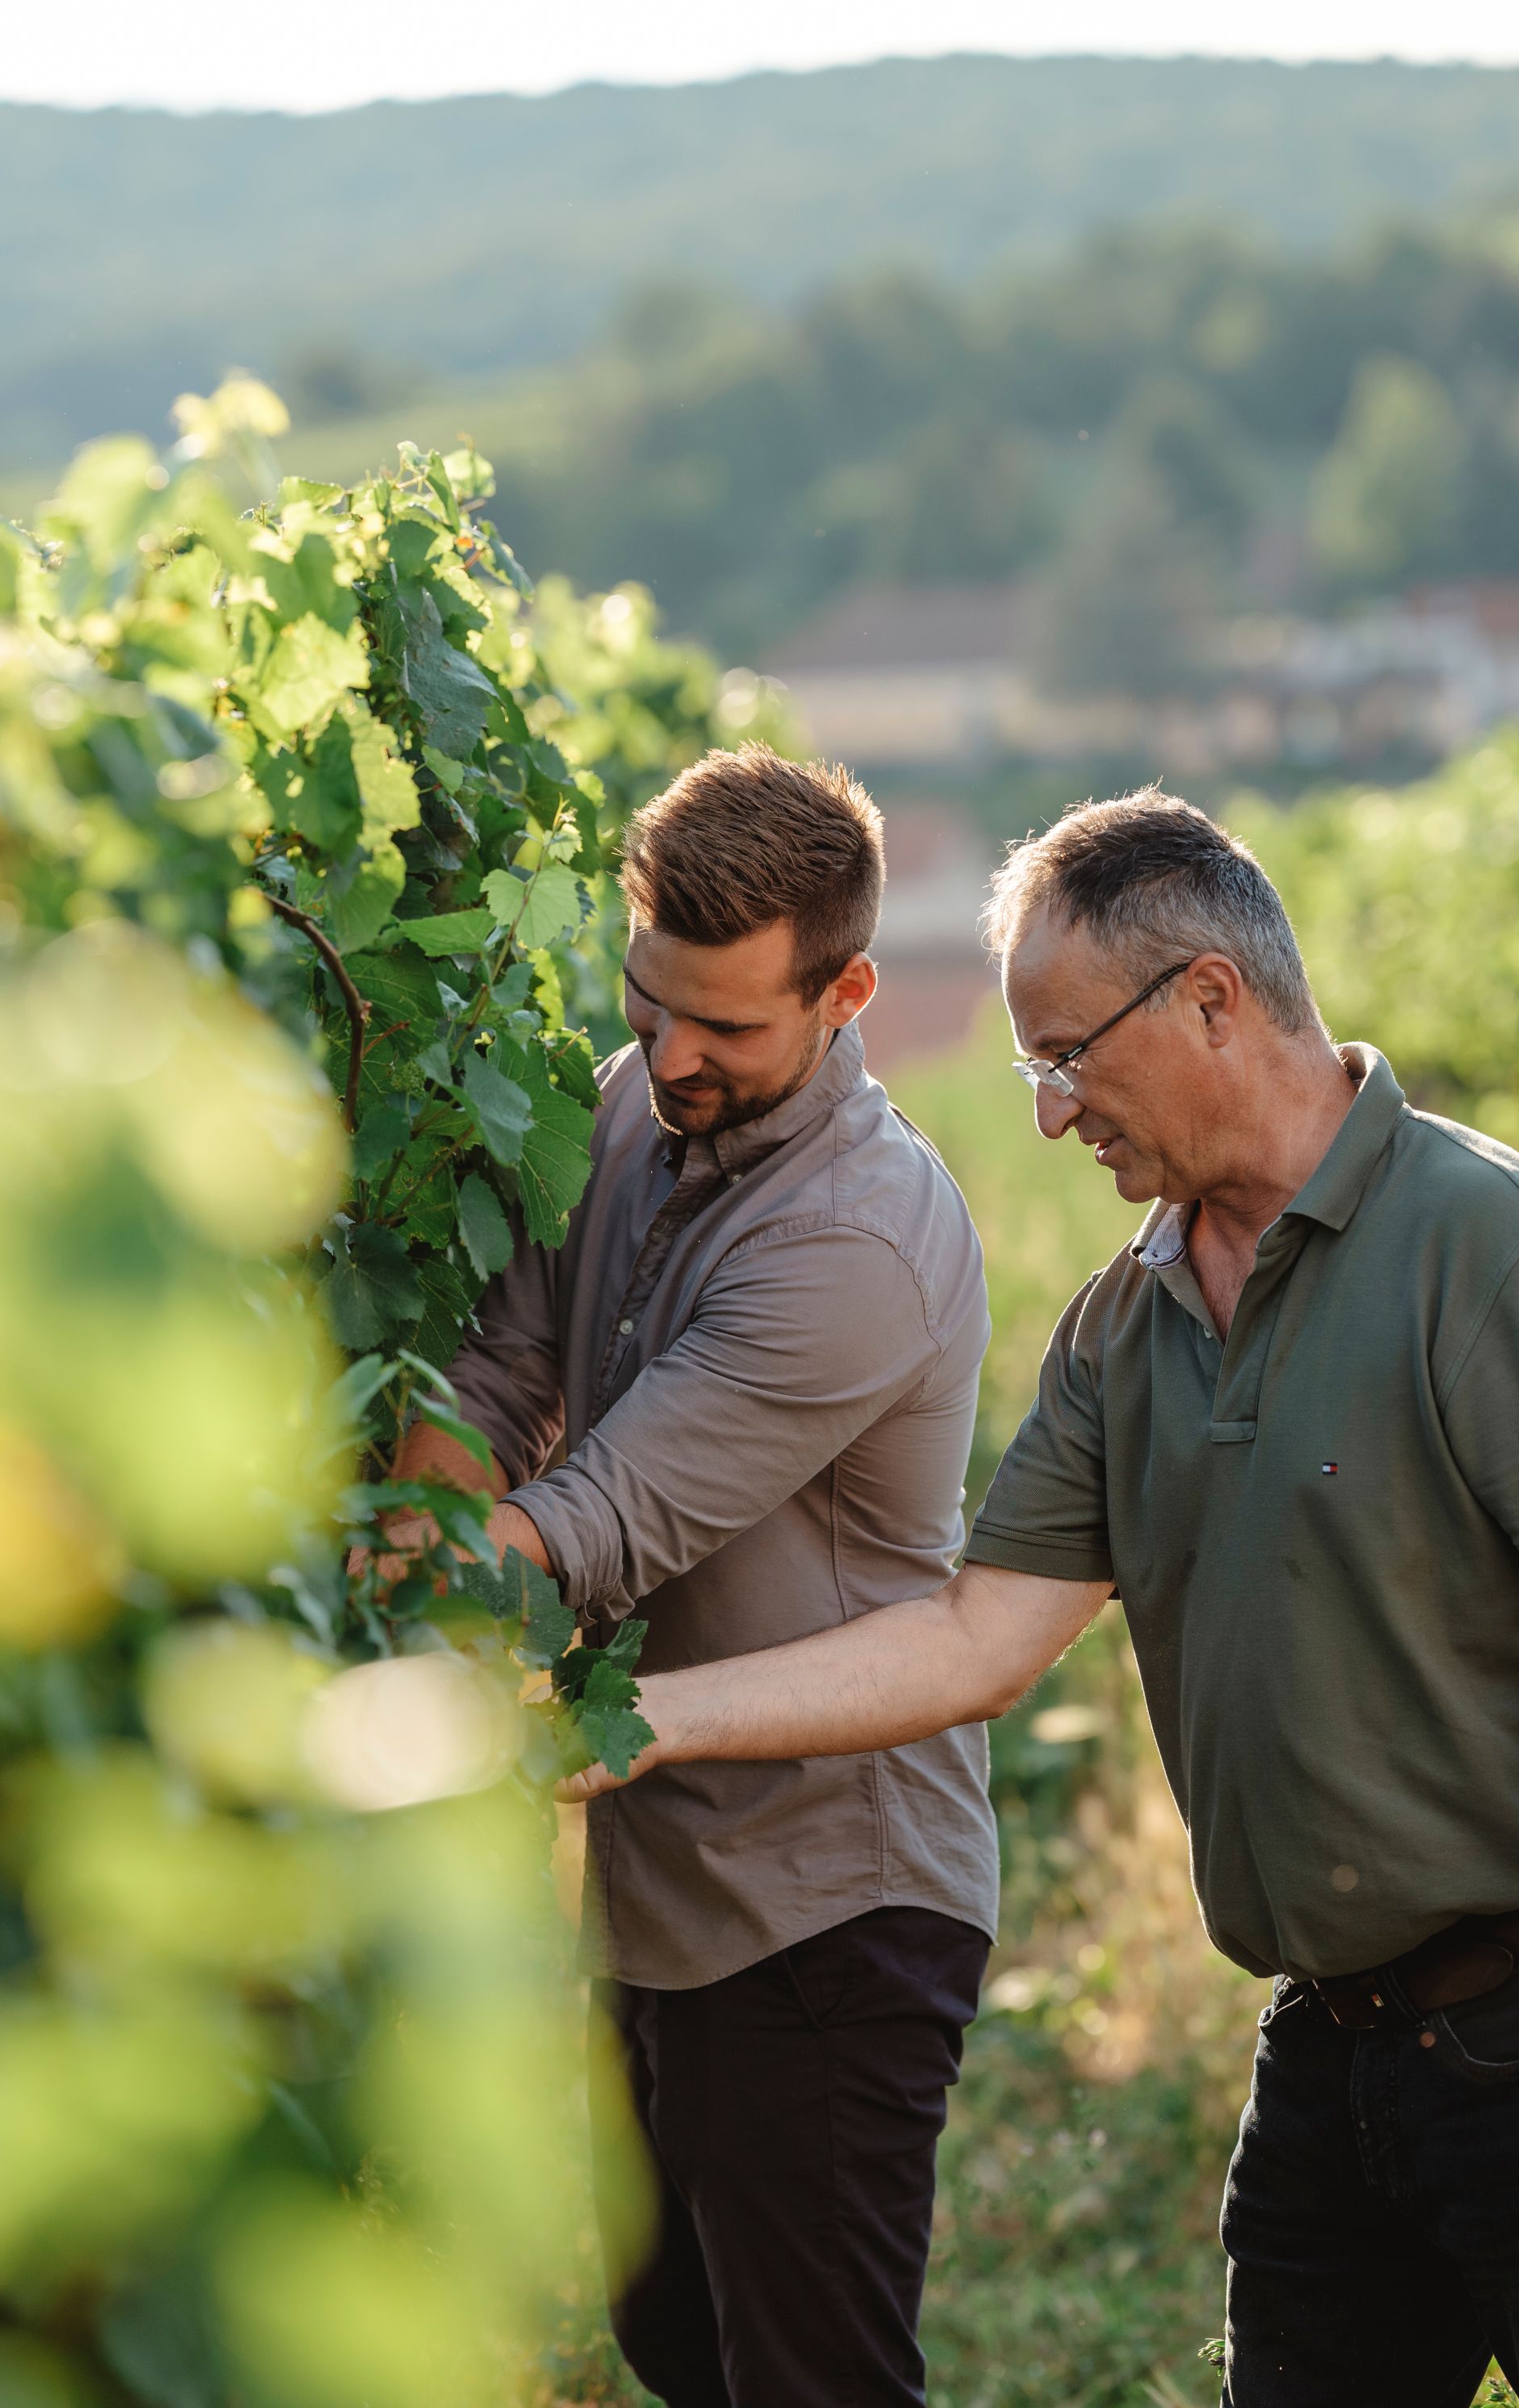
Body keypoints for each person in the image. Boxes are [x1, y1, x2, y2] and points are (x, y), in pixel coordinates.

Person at [564, 791, 1519, 2406]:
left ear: (1206, 1000)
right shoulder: (1126, 1326)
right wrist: (626, 1726)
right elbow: (975, 1636)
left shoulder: (1485, 1246)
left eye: (1062, 1058)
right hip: (1331, 2044)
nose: (1047, 1113)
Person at [401, 746, 993, 2408]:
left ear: (846, 991)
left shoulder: (854, 1245)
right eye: (649, 999)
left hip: (826, 1905)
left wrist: (371, 1624)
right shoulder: (628, 1101)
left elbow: (588, 1523)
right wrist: (421, 1501)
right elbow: (503, 1367)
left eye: (724, 1028)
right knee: (677, 2354)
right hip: (664, 1873)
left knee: (806, 2382)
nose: (671, 1054)